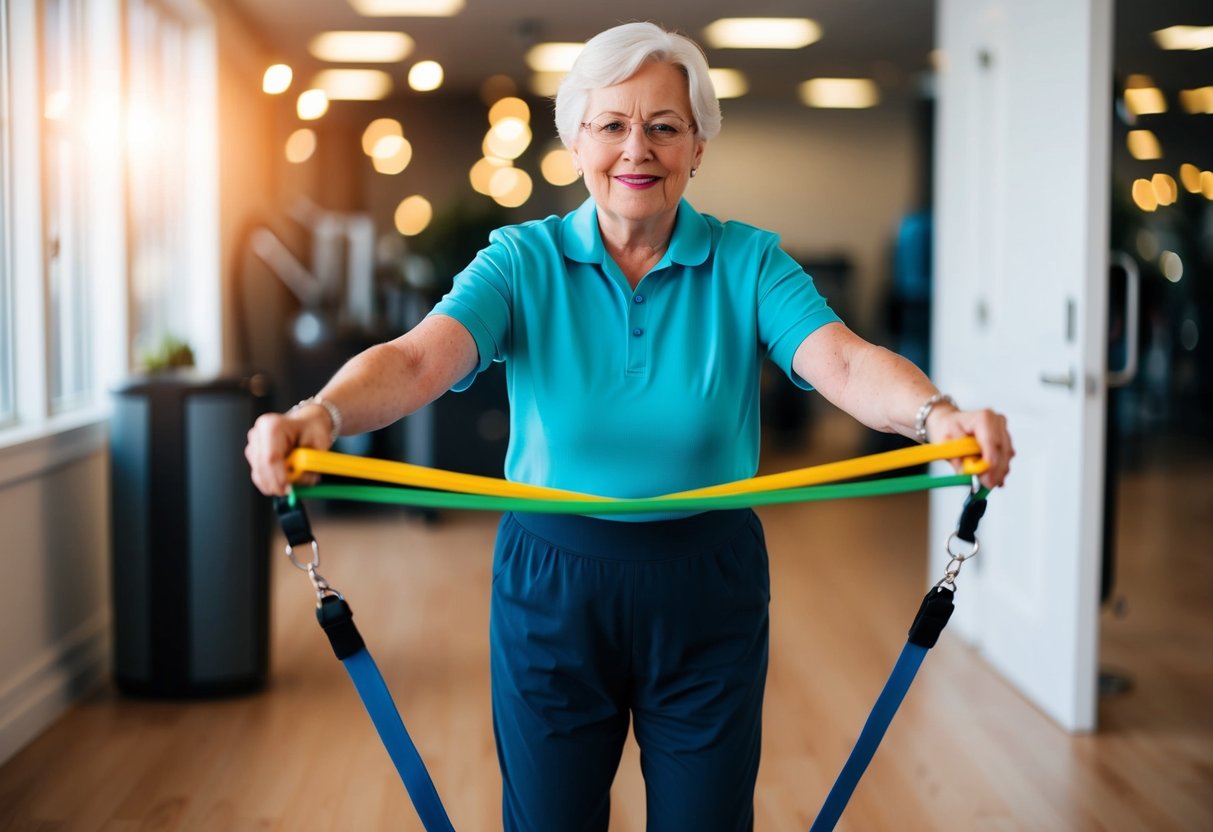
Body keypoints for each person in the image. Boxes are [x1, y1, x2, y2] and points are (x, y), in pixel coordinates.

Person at [246, 21, 1014, 832]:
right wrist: (317, 415)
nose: (634, 150)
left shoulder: (748, 262)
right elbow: (414, 362)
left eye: (663, 127)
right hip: (552, 585)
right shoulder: (520, 261)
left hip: (706, 586)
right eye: (610, 124)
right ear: (575, 140)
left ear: (697, 147)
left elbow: (847, 364)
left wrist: (939, 416)